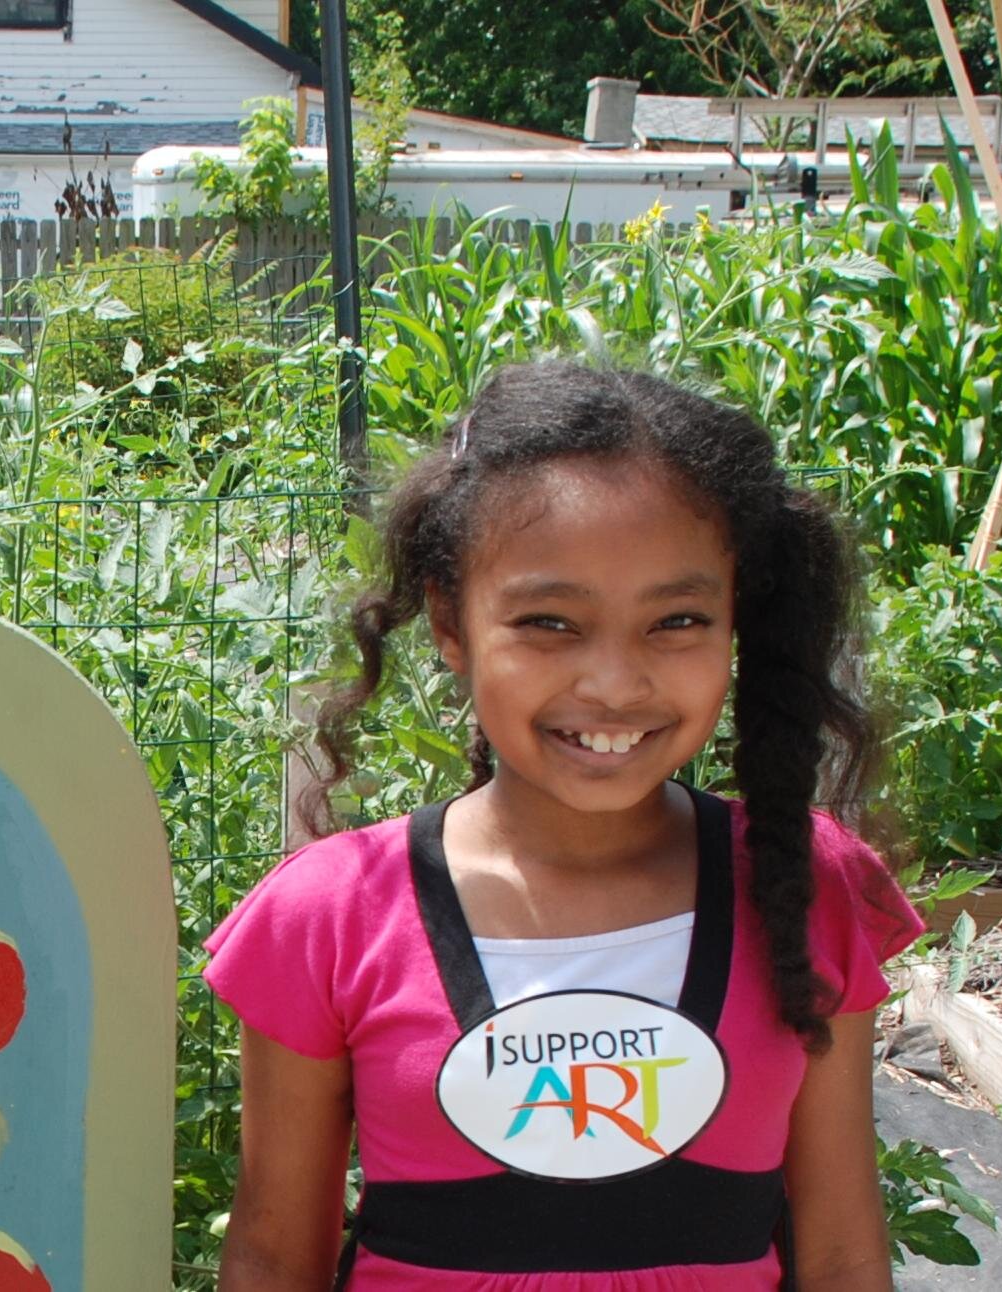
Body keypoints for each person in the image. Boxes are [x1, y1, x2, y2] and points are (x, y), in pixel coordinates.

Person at [205, 362, 922, 1290]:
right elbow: (271, 1255)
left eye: (677, 620)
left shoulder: (807, 883)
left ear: (738, 621)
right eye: (550, 622)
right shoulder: (332, 913)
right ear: (451, 624)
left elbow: (843, 1254)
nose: (614, 684)